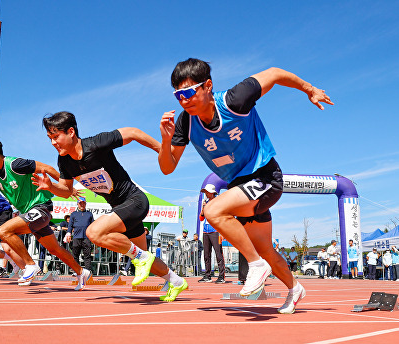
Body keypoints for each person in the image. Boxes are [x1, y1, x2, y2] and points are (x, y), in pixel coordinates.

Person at [158, 58, 331, 313]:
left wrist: (309, 89)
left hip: (265, 177)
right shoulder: (185, 122)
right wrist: (165, 140)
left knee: (214, 210)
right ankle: (295, 288)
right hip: (240, 187)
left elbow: (273, 73)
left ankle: (255, 265)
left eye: (188, 92)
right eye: (177, 95)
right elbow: (167, 167)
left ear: (207, 86)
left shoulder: (234, 100)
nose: (184, 100)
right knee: (266, 250)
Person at [35, 113, 188, 301]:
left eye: (56, 137)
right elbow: (66, 191)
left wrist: (163, 150)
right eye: (50, 138)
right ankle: (176, 281)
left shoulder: (96, 143)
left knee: (94, 233)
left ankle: (141, 258)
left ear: (71, 132)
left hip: (135, 201)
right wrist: (51, 186)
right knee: (143, 257)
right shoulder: (64, 161)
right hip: (120, 209)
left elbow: (132, 132)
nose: (53, 143)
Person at [0, 137, 92, 290]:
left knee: (4, 231)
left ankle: (30, 265)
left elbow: (47, 168)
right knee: (55, 249)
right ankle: (82, 272)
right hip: (29, 212)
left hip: (41, 208)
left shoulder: (15, 164)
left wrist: (65, 187)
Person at [198, 184, 225, 283]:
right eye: (205, 192)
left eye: (207, 191)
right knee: (206, 254)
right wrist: (203, 208)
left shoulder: (218, 202)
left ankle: (221, 276)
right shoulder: (206, 203)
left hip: (215, 231)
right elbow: (201, 218)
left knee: (218, 254)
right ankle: (207, 276)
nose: (206, 193)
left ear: (212, 192)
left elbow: (221, 216)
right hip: (206, 231)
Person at [66, 197, 94, 271]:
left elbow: (93, 226)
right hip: (76, 237)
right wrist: (68, 233)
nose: (82, 205)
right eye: (80, 203)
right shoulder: (73, 214)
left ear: (85, 204)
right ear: (77, 204)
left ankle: (88, 271)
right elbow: (70, 225)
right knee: (75, 255)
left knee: (87, 256)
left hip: (87, 238)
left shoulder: (89, 214)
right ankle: (76, 271)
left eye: (83, 203)